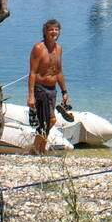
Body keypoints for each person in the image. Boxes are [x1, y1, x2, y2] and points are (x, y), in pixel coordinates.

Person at [28, 19, 68, 154]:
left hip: (52, 89)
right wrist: (31, 96)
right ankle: (37, 149)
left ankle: (38, 149)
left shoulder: (59, 48)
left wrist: (64, 91)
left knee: (50, 121)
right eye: (51, 30)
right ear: (45, 32)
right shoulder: (39, 48)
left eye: (56, 29)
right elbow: (32, 73)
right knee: (49, 120)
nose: (54, 32)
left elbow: (59, 71)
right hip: (40, 88)